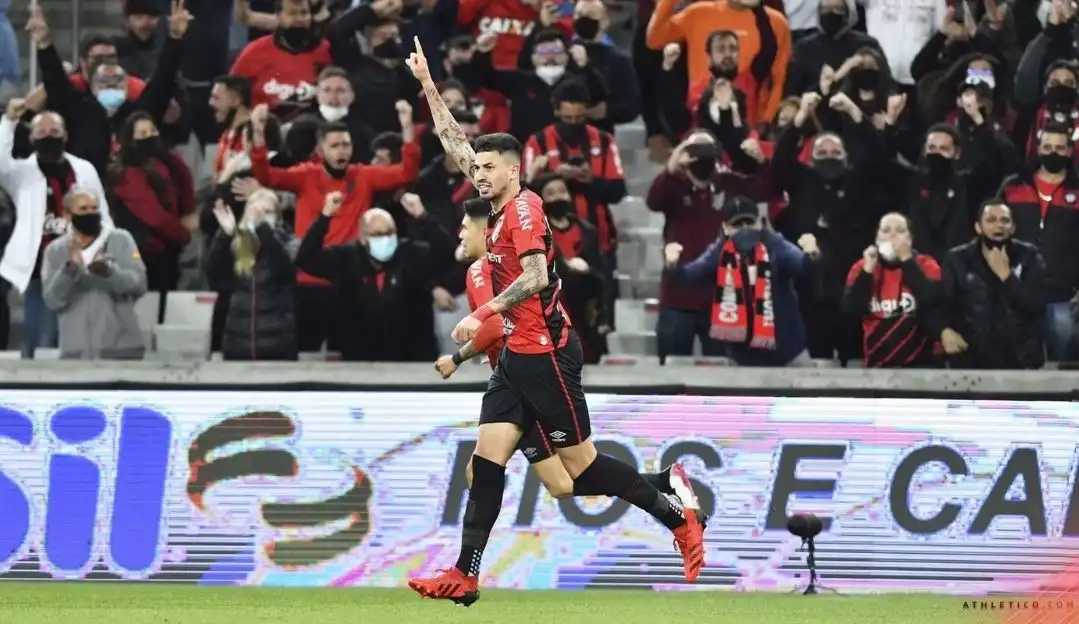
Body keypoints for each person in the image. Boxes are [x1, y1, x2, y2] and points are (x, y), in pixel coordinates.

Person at [406, 37, 705, 605]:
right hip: (514, 358)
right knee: (486, 463)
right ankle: (466, 574)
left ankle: (677, 516)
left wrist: (482, 312)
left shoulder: (524, 210)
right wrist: (427, 83)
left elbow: (537, 275)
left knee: (580, 473)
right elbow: (454, 142)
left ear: (514, 170)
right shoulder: (494, 203)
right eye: (477, 168)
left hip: (545, 353)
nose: (479, 174)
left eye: (489, 168)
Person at [436, 196, 699, 512]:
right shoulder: (514, 264)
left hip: (522, 381)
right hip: (535, 369)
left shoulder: (481, 270)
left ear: (483, 231)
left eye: (465, 227)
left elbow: (493, 327)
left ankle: (473, 548)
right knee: (560, 483)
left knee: (495, 473)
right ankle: (665, 481)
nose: (460, 234)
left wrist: (457, 358)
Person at [248, 100, 421, 353]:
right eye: (335, 146)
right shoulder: (305, 176)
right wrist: (258, 134)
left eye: (346, 145)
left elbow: (407, 172)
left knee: (348, 354)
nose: (342, 151)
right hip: (309, 282)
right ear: (320, 150)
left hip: (349, 283)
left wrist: (407, 128)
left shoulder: (364, 176)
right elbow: (266, 176)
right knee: (305, 353)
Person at [0, 99, 112, 358]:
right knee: (43, 339)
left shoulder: (84, 169)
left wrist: (103, 248)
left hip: (81, 264)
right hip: (40, 268)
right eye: (41, 132)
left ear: (65, 135)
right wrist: (9, 121)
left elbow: (103, 215)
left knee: (77, 338)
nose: (48, 137)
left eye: (54, 131)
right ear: (31, 138)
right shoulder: (21, 173)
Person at [294, 192, 453, 361]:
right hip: (361, 360)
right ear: (363, 238)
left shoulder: (411, 254)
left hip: (411, 358)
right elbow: (306, 259)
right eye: (377, 234)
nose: (385, 239)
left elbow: (447, 252)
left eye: (389, 232)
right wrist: (325, 217)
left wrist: (423, 217)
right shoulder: (347, 258)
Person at [664, 196, 818, 366]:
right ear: (725, 228)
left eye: (749, 223)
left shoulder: (776, 245)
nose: (745, 229)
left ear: (760, 223)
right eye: (737, 225)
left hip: (788, 352)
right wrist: (672, 264)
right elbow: (688, 277)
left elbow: (804, 268)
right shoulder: (719, 252)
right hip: (742, 356)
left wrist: (813, 255)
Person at [41, 186, 147, 360]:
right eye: (83, 209)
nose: (90, 213)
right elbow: (52, 300)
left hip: (121, 349)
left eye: (94, 208)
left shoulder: (121, 240)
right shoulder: (55, 250)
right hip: (75, 351)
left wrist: (109, 272)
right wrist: (69, 270)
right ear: (67, 214)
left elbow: (139, 284)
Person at [938, 201, 1047, 369]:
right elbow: (943, 304)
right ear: (978, 227)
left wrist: (1006, 276)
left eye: (1005, 220)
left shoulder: (1029, 256)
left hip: (1020, 358)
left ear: (1013, 228)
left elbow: (1036, 305)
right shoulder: (958, 259)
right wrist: (944, 329)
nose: (999, 225)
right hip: (971, 358)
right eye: (991, 220)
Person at [107, 112, 197, 301]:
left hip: (167, 249)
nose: (150, 137)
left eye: (153, 131)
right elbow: (154, 216)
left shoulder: (163, 163)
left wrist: (170, 157)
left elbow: (185, 182)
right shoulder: (128, 173)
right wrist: (182, 233)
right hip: (145, 253)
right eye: (142, 133)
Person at [841, 212, 943, 368]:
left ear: (910, 238)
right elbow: (851, 309)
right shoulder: (862, 267)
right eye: (886, 230)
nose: (893, 236)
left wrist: (907, 260)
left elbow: (932, 300)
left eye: (900, 231)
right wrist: (867, 272)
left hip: (921, 364)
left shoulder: (926, 264)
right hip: (876, 365)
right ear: (877, 238)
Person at [206, 190, 297, 361]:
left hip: (277, 347)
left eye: (267, 212)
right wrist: (225, 236)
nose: (260, 217)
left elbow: (286, 269)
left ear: (278, 218)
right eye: (255, 212)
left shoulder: (289, 242)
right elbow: (215, 276)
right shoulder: (236, 245)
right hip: (238, 345)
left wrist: (263, 229)